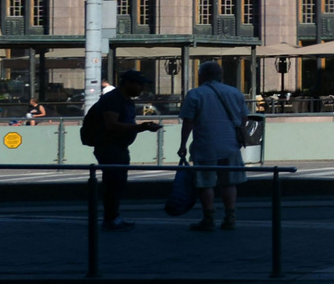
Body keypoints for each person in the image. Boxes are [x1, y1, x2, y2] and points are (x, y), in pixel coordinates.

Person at [176, 60, 251, 232]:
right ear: (221, 76)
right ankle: (230, 216)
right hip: (230, 144)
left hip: (205, 144)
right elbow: (244, 118)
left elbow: (188, 121)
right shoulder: (235, 92)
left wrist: (183, 144)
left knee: (205, 183)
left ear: (201, 76)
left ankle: (209, 219)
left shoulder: (195, 94)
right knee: (229, 183)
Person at [86, 69, 164, 231]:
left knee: (117, 183)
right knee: (113, 182)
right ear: (128, 83)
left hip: (118, 146)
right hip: (110, 146)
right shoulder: (114, 99)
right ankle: (111, 218)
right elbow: (111, 124)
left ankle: (114, 216)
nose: (142, 88)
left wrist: (140, 128)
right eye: (139, 85)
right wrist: (140, 128)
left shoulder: (125, 100)